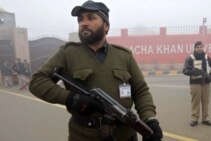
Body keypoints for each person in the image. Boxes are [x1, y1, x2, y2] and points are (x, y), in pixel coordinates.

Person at [29, 1, 163, 141]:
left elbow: (140, 91)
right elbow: (37, 81)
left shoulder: (124, 55)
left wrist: (150, 119)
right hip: (84, 136)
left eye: (91, 18)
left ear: (106, 26)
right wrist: (71, 98)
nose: (84, 23)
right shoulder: (68, 53)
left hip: (125, 135)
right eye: (80, 19)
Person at [183, 41, 211, 127]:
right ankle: (194, 119)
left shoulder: (207, 57)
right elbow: (185, 70)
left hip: (206, 83)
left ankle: (205, 119)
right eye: (197, 47)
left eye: (201, 47)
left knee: (206, 101)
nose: (199, 48)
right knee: (195, 102)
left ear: (203, 47)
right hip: (195, 83)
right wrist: (194, 72)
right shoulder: (190, 58)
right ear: (195, 48)